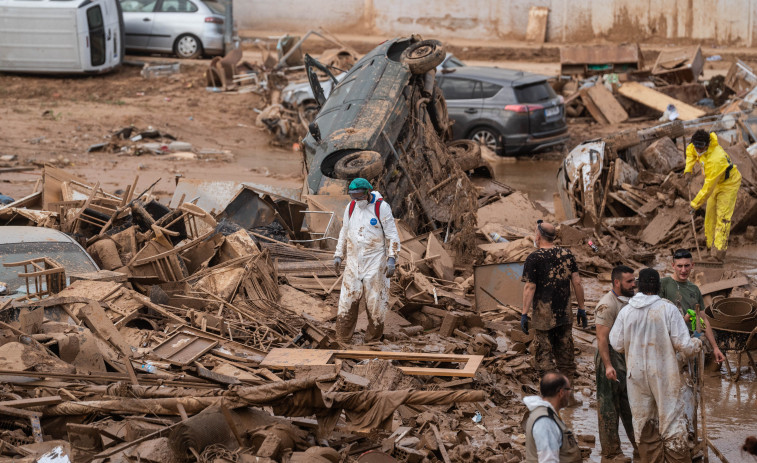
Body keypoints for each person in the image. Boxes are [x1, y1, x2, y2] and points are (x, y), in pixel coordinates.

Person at [610, 268, 702, 463]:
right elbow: (683, 345)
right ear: (659, 286)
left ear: (638, 285)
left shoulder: (627, 311)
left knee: (643, 420)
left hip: (636, 375)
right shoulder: (667, 309)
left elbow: (616, 343)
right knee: (671, 419)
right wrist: (697, 343)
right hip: (664, 374)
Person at [333, 178, 400, 343]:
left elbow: (392, 235)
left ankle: (373, 340)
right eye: (353, 196)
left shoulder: (381, 208)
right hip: (353, 262)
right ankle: (342, 339)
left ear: (367, 192)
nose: (356, 200)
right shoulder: (351, 208)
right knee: (346, 301)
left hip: (375, 262)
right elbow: (344, 232)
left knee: (375, 301)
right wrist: (338, 255)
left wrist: (392, 258)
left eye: (359, 196)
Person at [521, 220, 586, 387]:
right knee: (566, 359)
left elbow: (530, 287)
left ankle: (550, 398)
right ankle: (568, 398)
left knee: (545, 358)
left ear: (538, 236)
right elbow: (577, 282)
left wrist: (523, 313)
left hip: (544, 317)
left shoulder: (534, 258)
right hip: (564, 315)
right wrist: (581, 308)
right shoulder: (567, 254)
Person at [595, 265, 638, 463]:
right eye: (629, 281)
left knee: (630, 403)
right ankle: (610, 454)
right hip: (609, 355)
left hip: (624, 355)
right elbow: (602, 339)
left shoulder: (630, 300)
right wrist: (608, 366)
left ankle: (640, 446)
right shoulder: (607, 305)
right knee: (609, 405)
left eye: (634, 280)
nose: (633, 284)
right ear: (617, 283)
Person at [659, 248, 726, 364]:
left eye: (686, 266)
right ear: (673, 266)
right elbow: (656, 316)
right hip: (669, 340)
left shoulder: (694, 289)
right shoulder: (663, 284)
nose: (683, 270)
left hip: (690, 338)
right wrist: (681, 321)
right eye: (679, 266)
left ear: (692, 265)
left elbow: (703, 319)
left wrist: (715, 347)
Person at [684, 130, 742, 261]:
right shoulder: (695, 147)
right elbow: (690, 153)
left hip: (728, 184)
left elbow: (708, 187)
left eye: (701, 147)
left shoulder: (716, 158)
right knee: (710, 216)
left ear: (707, 144)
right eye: (696, 146)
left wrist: (695, 204)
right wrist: (688, 170)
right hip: (715, 182)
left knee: (723, 218)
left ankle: (718, 254)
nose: (698, 150)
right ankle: (710, 248)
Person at [523, 372, 582, 463]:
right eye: (569, 389)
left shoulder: (548, 413)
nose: (570, 393)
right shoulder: (545, 422)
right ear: (561, 392)